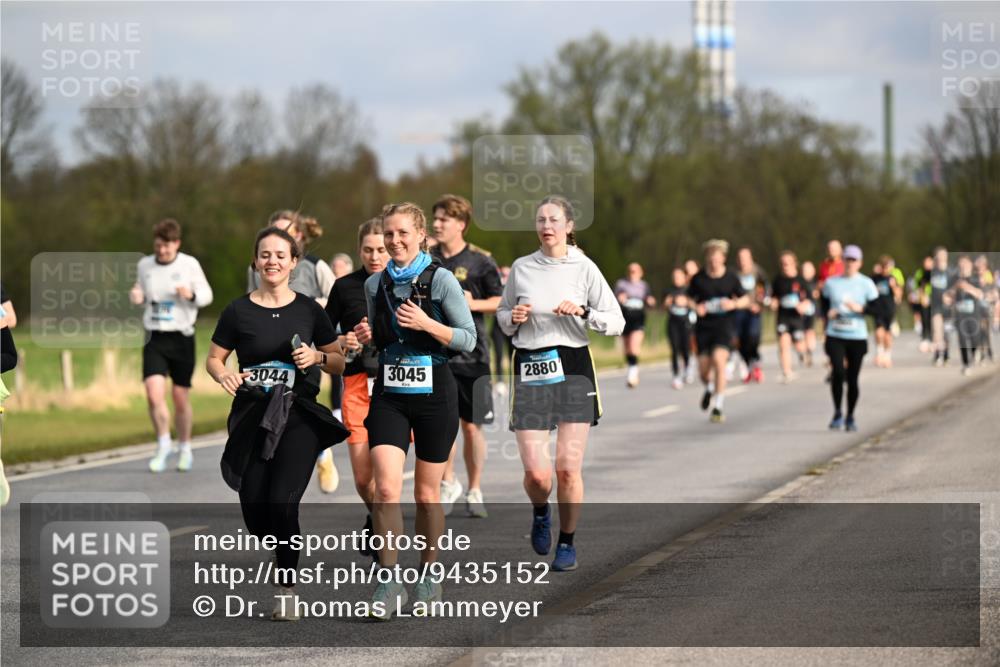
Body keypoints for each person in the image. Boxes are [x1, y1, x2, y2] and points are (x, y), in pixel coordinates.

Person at [207, 225, 348, 621]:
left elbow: (339, 361)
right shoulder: (238, 311)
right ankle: (280, 547)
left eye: (280, 255)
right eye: (265, 255)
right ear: (255, 262)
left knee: (283, 503)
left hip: (297, 414)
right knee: (256, 511)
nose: (272, 261)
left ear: (293, 263)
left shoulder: (309, 310)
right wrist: (224, 375)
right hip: (252, 415)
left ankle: (287, 590)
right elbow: (214, 358)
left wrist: (317, 358)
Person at [353, 202, 476, 619]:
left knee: (426, 495)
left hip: (435, 394)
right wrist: (367, 336)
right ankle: (388, 582)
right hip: (390, 392)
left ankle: (429, 574)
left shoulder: (441, 280)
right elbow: (380, 340)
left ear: (421, 235)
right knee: (386, 490)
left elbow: (468, 339)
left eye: (403, 233)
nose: (394, 241)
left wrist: (428, 324)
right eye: (389, 234)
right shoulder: (376, 284)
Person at [498, 195, 624, 572]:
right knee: (537, 475)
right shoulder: (522, 268)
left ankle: (567, 542)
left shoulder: (584, 267)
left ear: (569, 226)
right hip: (531, 365)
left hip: (572, 365)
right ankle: (541, 511)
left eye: (554, 220)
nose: (546, 226)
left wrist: (584, 312)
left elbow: (616, 322)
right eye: (541, 220)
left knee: (567, 468)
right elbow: (502, 315)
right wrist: (513, 317)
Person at [249, 211, 339, 493]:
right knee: (270, 412)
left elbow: (339, 299)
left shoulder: (315, 266)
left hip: (305, 354)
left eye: (287, 231)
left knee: (297, 410)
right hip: (267, 356)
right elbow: (250, 304)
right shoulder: (256, 268)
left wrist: (313, 305)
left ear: (299, 235)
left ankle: (319, 453)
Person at [431, 194, 503, 519]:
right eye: (435, 219)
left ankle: (474, 488)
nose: (436, 224)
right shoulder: (427, 258)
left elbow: (500, 301)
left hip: (473, 355)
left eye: (443, 219)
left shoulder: (480, 261)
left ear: (461, 224)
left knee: (472, 428)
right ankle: (448, 482)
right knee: (442, 425)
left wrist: (472, 304)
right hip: (437, 355)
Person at [324, 219, 389, 559]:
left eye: (381, 249)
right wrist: (341, 340)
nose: (375, 256)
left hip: (398, 385)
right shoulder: (344, 286)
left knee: (387, 480)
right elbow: (321, 336)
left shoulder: (405, 283)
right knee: (364, 480)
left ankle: (384, 542)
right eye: (368, 250)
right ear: (359, 250)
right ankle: (374, 515)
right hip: (357, 384)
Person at [129, 219, 213, 473]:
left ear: (177, 243)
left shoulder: (189, 264)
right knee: (153, 394)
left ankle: (185, 447)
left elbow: (207, 295)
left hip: (182, 337)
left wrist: (190, 294)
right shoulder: (145, 265)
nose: (162, 251)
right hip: (155, 337)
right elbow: (140, 291)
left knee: (179, 397)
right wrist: (137, 296)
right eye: (158, 246)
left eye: (167, 246)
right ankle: (163, 444)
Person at [687, 239, 750, 423]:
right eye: (711, 259)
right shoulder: (699, 278)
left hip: (724, 326)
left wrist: (733, 304)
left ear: (723, 258)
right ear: (707, 259)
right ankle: (709, 388)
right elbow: (688, 298)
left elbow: (746, 299)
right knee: (704, 372)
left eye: (717, 258)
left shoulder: (731, 277)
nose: (714, 262)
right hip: (704, 328)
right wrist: (696, 307)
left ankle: (718, 406)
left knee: (719, 361)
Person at [821, 244, 879, 432]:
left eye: (853, 260)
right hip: (835, 334)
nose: (850, 263)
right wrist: (828, 313)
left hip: (857, 336)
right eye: (847, 259)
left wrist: (861, 309)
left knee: (852, 378)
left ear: (860, 263)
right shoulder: (831, 283)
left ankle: (850, 416)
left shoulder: (866, 283)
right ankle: (837, 412)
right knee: (838, 373)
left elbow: (878, 309)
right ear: (842, 261)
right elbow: (822, 304)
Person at [770, 251, 812, 382]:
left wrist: (803, 305)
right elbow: (774, 297)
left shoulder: (800, 280)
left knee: (799, 344)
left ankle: (803, 353)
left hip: (796, 318)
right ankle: (786, 371)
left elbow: (809, 299)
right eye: (783, 264)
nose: (785, 266)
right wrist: (773, 303)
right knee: (784, 343)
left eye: (788, 263)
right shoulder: (778, 280)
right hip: (783, 317)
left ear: (794, 264)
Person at [615, 263, 657, 388]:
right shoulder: (621, 284)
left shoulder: (644, 286)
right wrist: (620, 298)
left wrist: (651, 301)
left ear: (640, 273)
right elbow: (615, 298)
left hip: (638, 318)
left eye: (635, 271)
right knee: (627, 349)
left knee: (634, 346)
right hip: (624, 318)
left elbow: (649, 299)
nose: (632, 273)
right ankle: (632, 368)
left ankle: (632, 373)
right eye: (630, 271)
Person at [733, 247, 769, 383]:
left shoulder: (757, 272)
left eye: (745, 258)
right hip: (739, 311)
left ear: (751, 258)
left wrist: (760, 303)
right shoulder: (735, 274)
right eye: (740, 258)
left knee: (752, 337)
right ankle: (749, 366)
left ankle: (756, 362)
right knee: (739, 341)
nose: (743, 261)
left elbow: (765, 289)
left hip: (754, 311)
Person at [952, 255, 984, 376]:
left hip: (974, 315)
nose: (963, 266)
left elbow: (980, 294)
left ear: (970, 265)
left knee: (975, 339)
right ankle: (966, 364)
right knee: (962, 340)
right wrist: (955, 287)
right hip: (960, 315)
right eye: (961, 263)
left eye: (965, 263)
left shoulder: (976, 278)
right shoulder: (955, 279)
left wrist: (967, 287)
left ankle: (975, 353)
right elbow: (948, 295)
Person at [869, 256, 902, 368]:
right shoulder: (875, 278)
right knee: (879, 332)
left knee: (887, 335)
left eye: (887, 267)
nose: (885, 269)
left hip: (889, 310)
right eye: (883, 267)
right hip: (877, 309)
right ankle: (879, 353)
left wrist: (893, 287)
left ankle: (887, 356)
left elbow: (898, 296)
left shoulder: (892, 279)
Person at [664, 267, 694, 390]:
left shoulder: (689, 290)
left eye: (679, 276)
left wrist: (686, 302)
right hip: (673, 323)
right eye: (674, 277)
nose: (676, 279)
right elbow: (664, 306)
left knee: (685, 348)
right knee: (674, 348)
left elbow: (695, 304)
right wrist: (669, 302)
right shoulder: (668, 290)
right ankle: (676, 376)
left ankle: (687, 367)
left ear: (684, 277)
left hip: (685, 323)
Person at [929, 247, 956, 367]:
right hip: (936, 306)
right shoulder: (932, 271)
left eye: (943, 255)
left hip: (948, 307)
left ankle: (945, 354)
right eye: (938, 255)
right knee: (937, 331)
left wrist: (950, 296)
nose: (940, 258)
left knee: (946, 333)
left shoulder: (951, 272)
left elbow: (956, 287)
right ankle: (937, 355)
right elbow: (925, 285)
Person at [490, 265, 515, 393]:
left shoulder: (514, 287)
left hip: (511, 326)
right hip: (497, 326)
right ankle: (499, 382)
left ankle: (514, 380)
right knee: (498, 354)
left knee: (512, 355)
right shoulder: (496, 287)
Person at [800, 261, 819, 367]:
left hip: (811, 311)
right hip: (799, 311)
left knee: (809, 331)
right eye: (804, 271)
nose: (806, 273)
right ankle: (802, 350)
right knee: (800, 333)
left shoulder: (816, 283)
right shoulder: (798, 282)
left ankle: (809, 352)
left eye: (808, 271)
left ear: (813, 271)